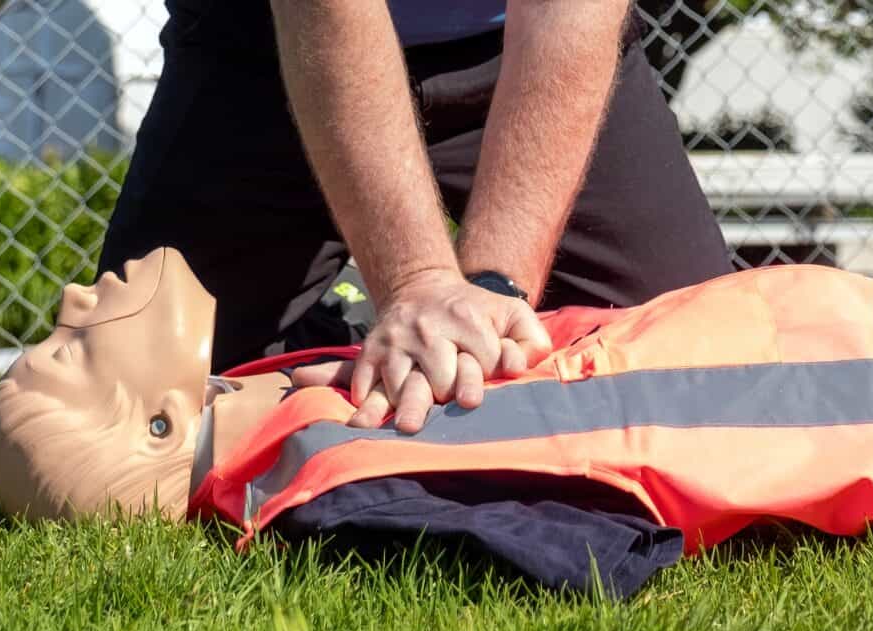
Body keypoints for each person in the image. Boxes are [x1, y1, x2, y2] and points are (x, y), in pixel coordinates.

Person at [0, 247, 873, 559]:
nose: (80, 295)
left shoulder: (270, 426)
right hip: (717, 384)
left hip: (667, 340)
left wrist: (459, 285)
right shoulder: (322, 476)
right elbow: (557, 537)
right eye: (71, 353)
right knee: (826, 389)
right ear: (159, 427)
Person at [95, 0, 737, 435]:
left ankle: (393, 341)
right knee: (126, 398)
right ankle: (343, 332)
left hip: (518, 46)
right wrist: (415, 283)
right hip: (268, 48)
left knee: (702, 379)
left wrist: (494, 293)